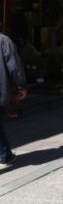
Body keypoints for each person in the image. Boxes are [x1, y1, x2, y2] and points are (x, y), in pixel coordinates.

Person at [0, 32, 28, 166]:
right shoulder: (4, 41)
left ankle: (5, 154)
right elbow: (14, 66)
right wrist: (20, 86)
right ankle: (5, 155)